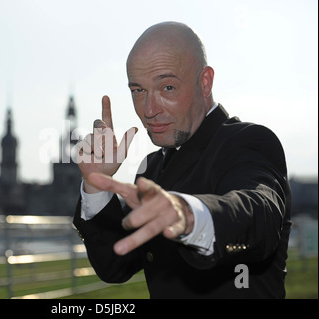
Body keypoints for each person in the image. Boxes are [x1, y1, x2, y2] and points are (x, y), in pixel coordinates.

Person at [72, 21, 291, 298]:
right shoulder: (151, 168)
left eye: (167, 88)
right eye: (138, 91)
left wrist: (190, 216)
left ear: (205, 82)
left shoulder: (248, 141)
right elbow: (115, 266)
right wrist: (97, 185)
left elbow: (260, 211)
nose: (149, 110)